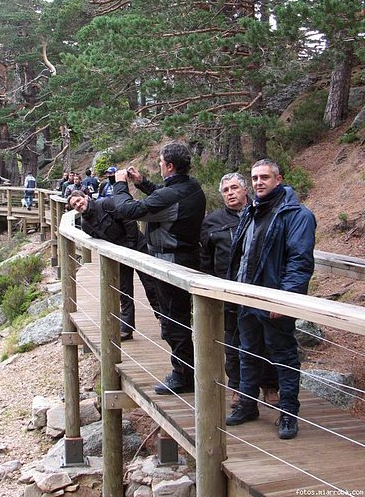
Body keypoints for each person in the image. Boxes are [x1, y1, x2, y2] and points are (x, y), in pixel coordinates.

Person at [225, 159, 316, 440]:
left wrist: (284, 299)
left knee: (284, 355)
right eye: (254, 178)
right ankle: (247, 404)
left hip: (274, 298)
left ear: (279, 179)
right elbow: (242, 255)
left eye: (264, 177)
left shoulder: (296, 214)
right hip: (247, 296)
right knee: (247, 352)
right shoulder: (251, 211)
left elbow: (299, 261)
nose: (258, 182)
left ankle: (288, 413)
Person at [113, 142, 206, 395]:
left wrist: (120, 184)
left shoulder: (173, 195)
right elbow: (163, 198)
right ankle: (187, 370)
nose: (159, 166)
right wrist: (142, 182)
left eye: (161, 163)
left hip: (171, 263)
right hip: (185, 259)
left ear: (169, 166)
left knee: (173, 322)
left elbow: (129, 210)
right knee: (178, 318)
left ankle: (183, 375)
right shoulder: (191, 186)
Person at [200, 172, 279, 408]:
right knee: (232, 340)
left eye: (234, 188)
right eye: (225, 190)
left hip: (259, 288)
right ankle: (237, 386)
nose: (230, 193)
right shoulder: (212, 222)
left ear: (246, 190)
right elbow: (205, 259)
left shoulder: (262, 215)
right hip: (227, 290)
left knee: (266, 339)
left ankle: (269, 385)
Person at [68, 190, 160, 340]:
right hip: (118, 256)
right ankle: (127, 328)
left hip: (137, 247)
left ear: (85, 197)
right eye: (75, 205)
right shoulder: (85, 224)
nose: (78, 205)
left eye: (79, 200)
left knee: (150, 285)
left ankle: (163, 321)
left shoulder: (105, 204)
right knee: (124, 291)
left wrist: (130, 246)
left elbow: (128, 221)